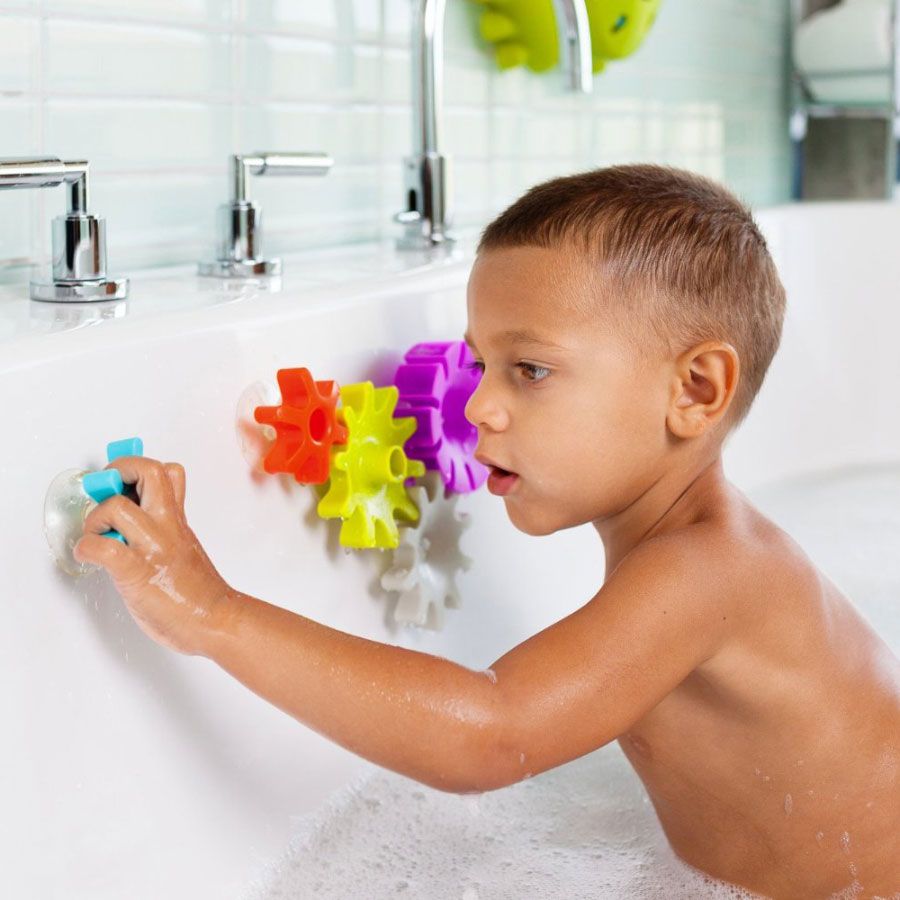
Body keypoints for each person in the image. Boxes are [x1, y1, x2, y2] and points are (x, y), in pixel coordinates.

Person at [73, 165, 900, 899]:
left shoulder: (709, 572)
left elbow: (492, 735)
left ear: (695, 389)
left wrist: (213, 613)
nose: (476, 407)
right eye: (477, 365)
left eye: (530, 369)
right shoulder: (684, 556)